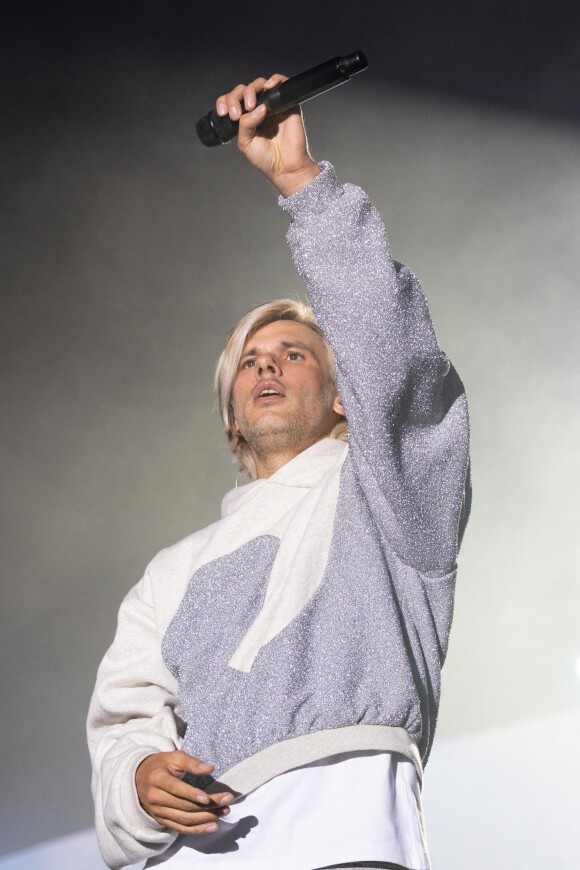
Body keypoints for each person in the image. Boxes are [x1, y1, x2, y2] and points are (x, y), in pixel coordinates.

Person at [87, 73, 471, 870]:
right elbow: (125, 721)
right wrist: (138, 779)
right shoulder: (171, 572)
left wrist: (301, 182)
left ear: (342, 396)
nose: (267, 367)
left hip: (346, 839)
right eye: (249, 362)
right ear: (229, 413)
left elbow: (395, 361)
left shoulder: (388, 494)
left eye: (294, 355)